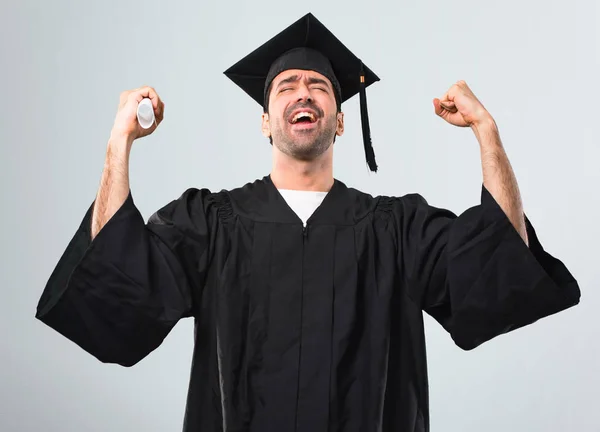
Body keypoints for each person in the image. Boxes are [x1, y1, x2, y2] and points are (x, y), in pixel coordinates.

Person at [35, 12, 580, 432]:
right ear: (266, 121)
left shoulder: (396, 229)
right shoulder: (210, 224)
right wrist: (119, 142)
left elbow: (498, 260)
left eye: (320, 86)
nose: (303, 92)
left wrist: (488, 132)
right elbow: (118, 283)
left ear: (340, 120)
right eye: (286, 86)